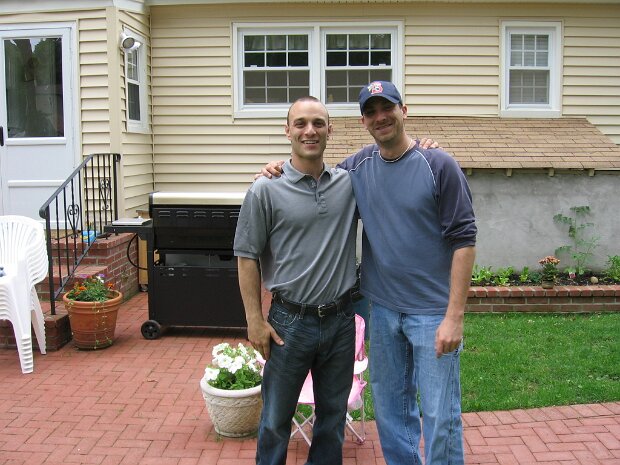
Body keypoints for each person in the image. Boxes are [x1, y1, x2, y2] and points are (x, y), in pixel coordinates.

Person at [260, 81, 477, 465]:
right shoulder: (356, 170)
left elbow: (464, 240)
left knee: (441, 416)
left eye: (387, 108)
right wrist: (277, 169)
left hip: (432, 313)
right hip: (384, 311)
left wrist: (454, 316)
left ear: (403, 111)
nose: (381, 117)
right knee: (392, 413)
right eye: (371, 112)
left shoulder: (438, 165)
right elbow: (315, 178)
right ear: (363, 121)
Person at [233, 96, 358, 465]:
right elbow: (246, 256)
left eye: (318, 123)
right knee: (275, 421)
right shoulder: (265, 189)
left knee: (332, 419)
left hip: (340, 321)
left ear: (330, 130)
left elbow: (388, 159)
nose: (310, 131)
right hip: (289, 324)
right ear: (287, 131)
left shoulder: (349, 184)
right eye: (300, 123)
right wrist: (254, 320)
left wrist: (426, 148)